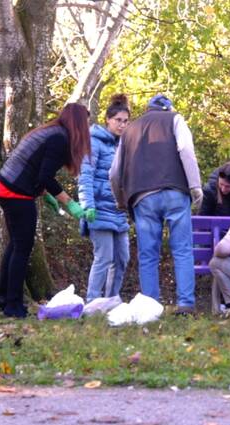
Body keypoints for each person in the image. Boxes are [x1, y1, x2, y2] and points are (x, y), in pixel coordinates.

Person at [110, 94, 203, 315]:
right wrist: (195, 186)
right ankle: (186, 304)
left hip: (142, 196)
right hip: (175, 191)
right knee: (181, 250)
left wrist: (120, 200)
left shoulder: (130, 129)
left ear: (148, 109)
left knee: (148, 254)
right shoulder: (175, 119)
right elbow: (187, 151)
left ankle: (150, 306)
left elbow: (114, 172)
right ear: (168, 109)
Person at [0, 103, 91, 318]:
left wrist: (44, 193)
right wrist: (69, 203)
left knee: (16, 245)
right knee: (22, 247)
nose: (88, 126)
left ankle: (4, 298)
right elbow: (45, 176)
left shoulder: (51, 132)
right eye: (86, 122)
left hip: (7, 186)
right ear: (77, 122)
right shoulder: (59, 138)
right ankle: (13, 306)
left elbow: (36, 168)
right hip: (16, 192)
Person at [78, 94, 131, 303]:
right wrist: (87, 206)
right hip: (98, 209)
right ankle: (92, 301)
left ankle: (110, 300)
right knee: (104, 258)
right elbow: (85, 175)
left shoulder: (123, 146)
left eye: (126, 121)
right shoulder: (94, 141)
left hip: (118, 212)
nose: (122, 125)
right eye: (118, 120)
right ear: (108, 119)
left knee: (122, 259)